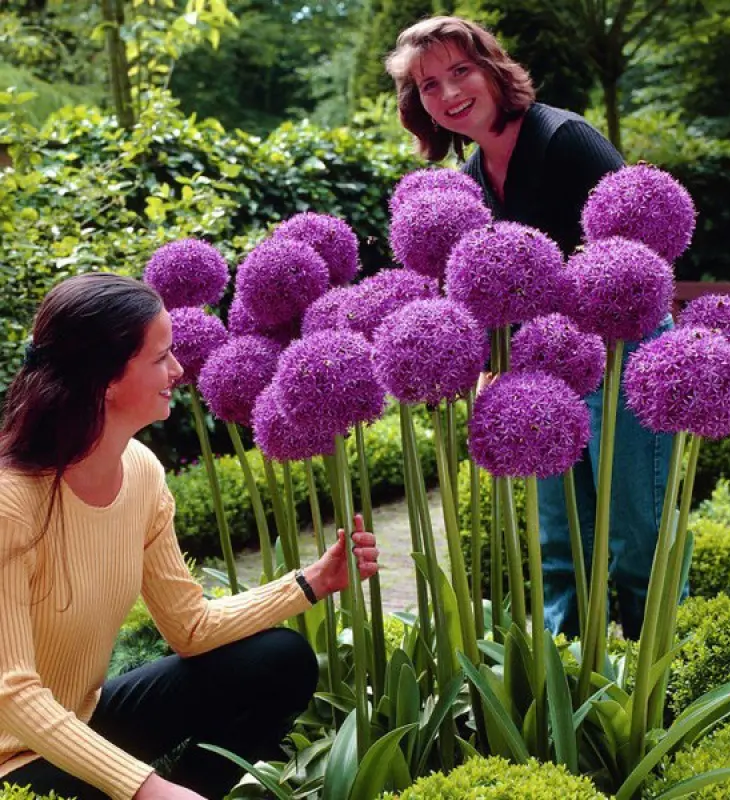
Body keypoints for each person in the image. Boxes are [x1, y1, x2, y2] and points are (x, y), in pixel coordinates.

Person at [0, 273, 380, 800]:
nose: (177, 371)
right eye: (160, 358)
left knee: (280, 661)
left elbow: (190, 627)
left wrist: (313, 581)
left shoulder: (141, 472)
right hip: (11, 761)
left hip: (80, 722)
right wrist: (145, 788)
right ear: (104, 378)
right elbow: (14, 693)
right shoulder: (9, 503)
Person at [385, 16, 679, 639]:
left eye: (460, 71)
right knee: (560, 544)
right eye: (429, 85)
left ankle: (657, 682)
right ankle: (566, 682)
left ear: (493, 68)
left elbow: (641, 252)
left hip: (627, 357)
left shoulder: (564, 138)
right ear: (420, 105)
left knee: (636, 539)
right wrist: (492, 367)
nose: (449, 92)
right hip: (548, 368)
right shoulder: (467, 185)